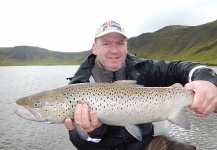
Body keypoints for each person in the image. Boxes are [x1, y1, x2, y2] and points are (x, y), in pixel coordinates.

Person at [64, 21, 217, 150]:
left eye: (119, 43)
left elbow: (178, 69)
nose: (114, 50)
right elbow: (78, 141)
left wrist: (206, 80)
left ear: (126, 47)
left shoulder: (144, 68)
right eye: (106, 43)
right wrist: (95, 132)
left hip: (142, 145)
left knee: (180, 147)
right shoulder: (77, 87)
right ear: (94, 48)